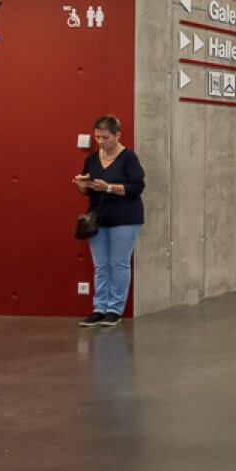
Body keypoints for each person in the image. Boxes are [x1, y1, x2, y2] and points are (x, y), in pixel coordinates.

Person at [73, 114, 145, 327]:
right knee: (101, 265)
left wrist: (109, 187)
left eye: (105, 137)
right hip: (98, 217)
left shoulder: (129, 158)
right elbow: (88, 190)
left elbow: (137, 187)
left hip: (125, 218)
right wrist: (82, 186)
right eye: (98, 138)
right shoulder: (92, 159)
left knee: (119, 263)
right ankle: (99, 307)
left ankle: (115, 308)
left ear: (117, 135)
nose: (101, 142)